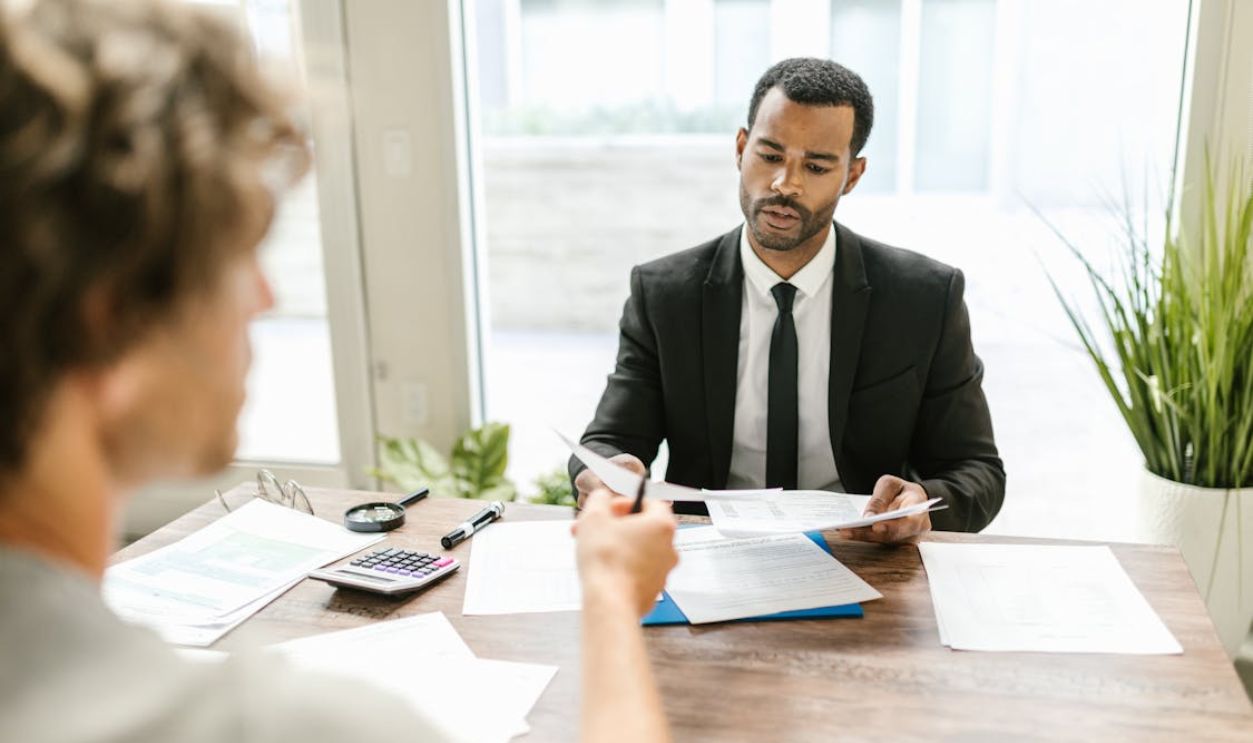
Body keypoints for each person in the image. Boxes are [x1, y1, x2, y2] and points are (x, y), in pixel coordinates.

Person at [0, 1, 677, 741]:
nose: (266, 295)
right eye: (237, 254)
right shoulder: (275, 725)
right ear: (112, 321)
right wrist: (611, 596)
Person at [571, 57, 1005, 543]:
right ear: (741, 148)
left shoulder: (925, 298)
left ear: (853, 175)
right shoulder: (664, 293)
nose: (785, 184)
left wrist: (920, 506)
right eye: (770, 156)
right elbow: (610, 440)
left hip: (862, 554)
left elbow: (977, 471)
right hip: (707, 555)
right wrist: (609, 472)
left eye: (816, 166)